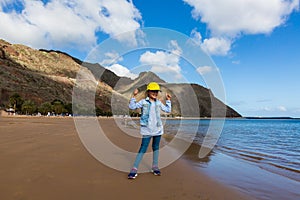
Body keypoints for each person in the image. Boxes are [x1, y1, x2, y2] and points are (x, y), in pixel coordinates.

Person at [128, 82, 172, 179]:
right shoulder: (143, 102)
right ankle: (134, 168)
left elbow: (168, 110)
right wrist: (134, 96)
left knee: (155, 147)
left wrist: (168, 100)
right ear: (148, 92)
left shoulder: (159, 102)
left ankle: (155, 166)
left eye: (156, 91)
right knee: (143, 148)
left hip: (158, 129)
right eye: (153, 91)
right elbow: (132, 106)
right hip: (147, 129)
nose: (155, 93)